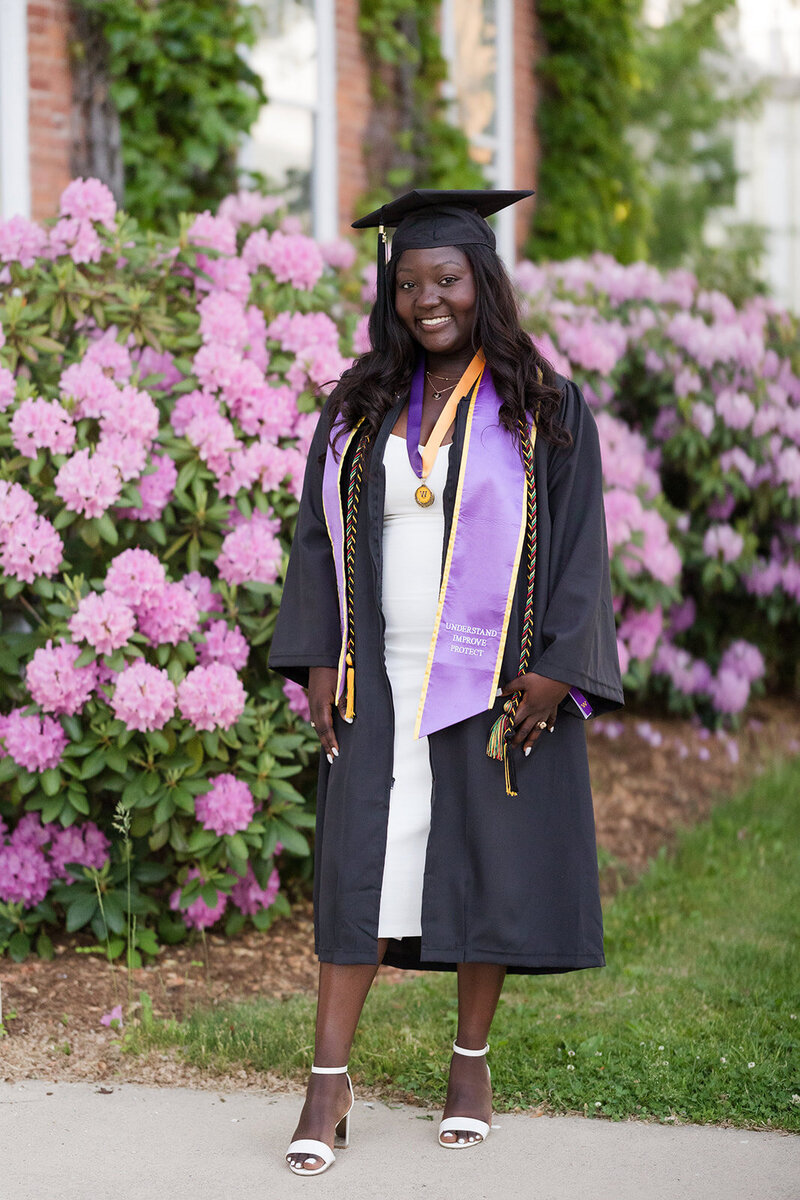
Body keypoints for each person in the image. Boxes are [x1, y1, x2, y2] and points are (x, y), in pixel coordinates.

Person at [269, 189, 624, 1176]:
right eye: (408, 282)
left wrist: (558, 665)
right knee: (358, 875)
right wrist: (314, 656)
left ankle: (468, 1067)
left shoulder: (540, 405)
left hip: (488, 673)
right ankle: (326, 1083)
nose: (427, 299)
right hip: (378, 671)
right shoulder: (356, 407)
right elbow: (313, 541)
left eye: (447, 280)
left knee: (481, 860)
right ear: (391, 294)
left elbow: (581, 543)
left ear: (481, 285)